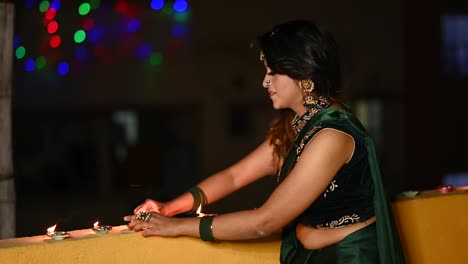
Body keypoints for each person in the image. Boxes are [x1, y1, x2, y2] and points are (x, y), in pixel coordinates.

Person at [124, 19, 405, 263]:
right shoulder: (298, 126)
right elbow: (235, 176)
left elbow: (266, 221)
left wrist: (177, 227)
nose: (264, 82)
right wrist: (170, 207)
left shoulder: (332, 136)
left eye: (273, 73)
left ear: (304, 77)